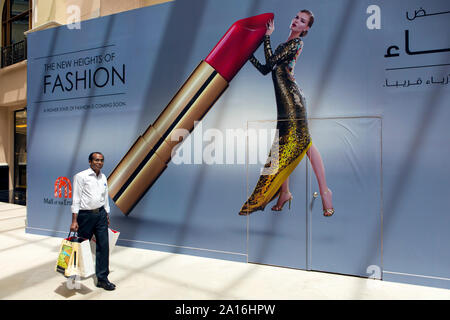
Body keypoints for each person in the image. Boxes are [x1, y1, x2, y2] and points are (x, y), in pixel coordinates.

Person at [239, 10, 334, 217]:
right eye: (296, 17)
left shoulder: (296, 43)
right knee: (283, 145)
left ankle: (325, 193)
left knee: (304, 143)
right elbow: (266, 69)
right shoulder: (284, 45)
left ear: (306, 28)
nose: (296, 21)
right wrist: (248, 56)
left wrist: (266, 37)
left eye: (302, 21)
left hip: (294, 101)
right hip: (284, 102)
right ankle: (285, 192)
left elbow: (271, 60)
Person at [70, 152, 116, 290]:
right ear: (90, 162)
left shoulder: (103, 177)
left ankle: (102, 278)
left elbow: (105, 197)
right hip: (85, 216)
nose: (99, 162)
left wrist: (107, 214)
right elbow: (76, 199)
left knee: (103, 246)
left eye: (101, 160)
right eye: (96, 160)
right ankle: (73, 274)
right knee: (81, 246)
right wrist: (74, 220)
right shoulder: (81, 176)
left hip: (101, 215)